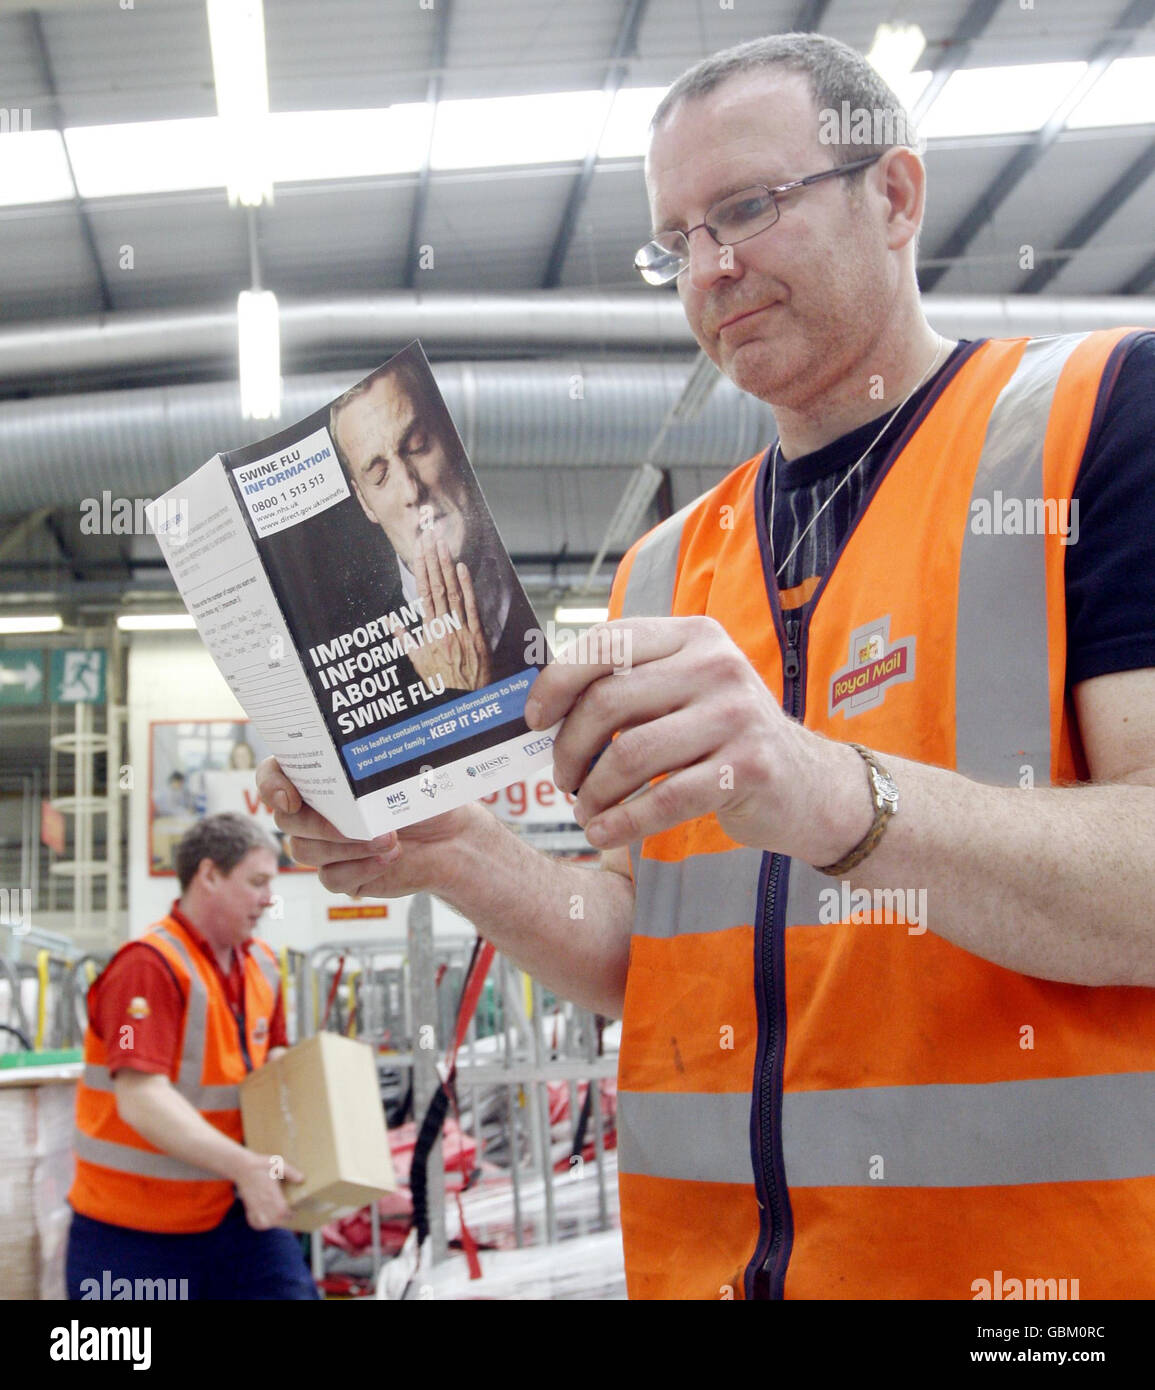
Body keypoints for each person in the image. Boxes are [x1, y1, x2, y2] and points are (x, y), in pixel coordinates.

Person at [258, 32, 1155, 1300]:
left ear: (895, 196)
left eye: (748, 207)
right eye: (675, 240)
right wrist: (445, 848)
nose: (711, 269)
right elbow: (643, 950)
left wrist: (825, 787)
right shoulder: (670, 566)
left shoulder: (1090, 423)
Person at [67, 813, 317, 1300]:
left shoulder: (263, 965)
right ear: (209, 875)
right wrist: (246, 1166)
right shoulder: (147, 966)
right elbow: (141, 1099)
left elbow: (274, 1071)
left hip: (233, 1216)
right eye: (258, 882)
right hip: (132, 1234)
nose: (270, 898)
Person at [330, 354, 538, 690]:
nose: (411, 490)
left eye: (418, 446)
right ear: (365, 503)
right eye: (380, 475)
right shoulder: (353, 657)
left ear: (451, 439)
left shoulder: (531, 582)